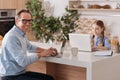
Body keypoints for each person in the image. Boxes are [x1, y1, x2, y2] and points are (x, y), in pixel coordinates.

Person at [0, 9, 57, 80]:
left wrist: (46, 51)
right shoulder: (12, 37)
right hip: (11, 76)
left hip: (20, 73)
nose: (27, 24)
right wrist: (42, 54)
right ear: (17, 21)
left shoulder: (20, 34)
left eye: (29, 21)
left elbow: (30, 47)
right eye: (24, 21)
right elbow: (23, 61)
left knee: (49, 78)